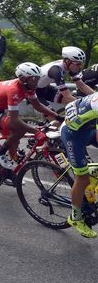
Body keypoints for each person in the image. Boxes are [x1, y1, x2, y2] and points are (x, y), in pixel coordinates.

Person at [0, 62, 58, 171]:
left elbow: (37, 105)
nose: (36, 82)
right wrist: (36, 132)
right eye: (33, 79)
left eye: (37, 79)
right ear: (23, 79)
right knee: (19, 129)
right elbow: (14, 121)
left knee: (14, 140)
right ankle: (1, 151)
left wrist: (56, 116)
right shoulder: (14, 90)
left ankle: (1, 168)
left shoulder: (29, 87)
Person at [60, 91, 98, 238]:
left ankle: (92, 184)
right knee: (82, 178)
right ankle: (75, 217)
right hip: (72, 135)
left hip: (87, 128)